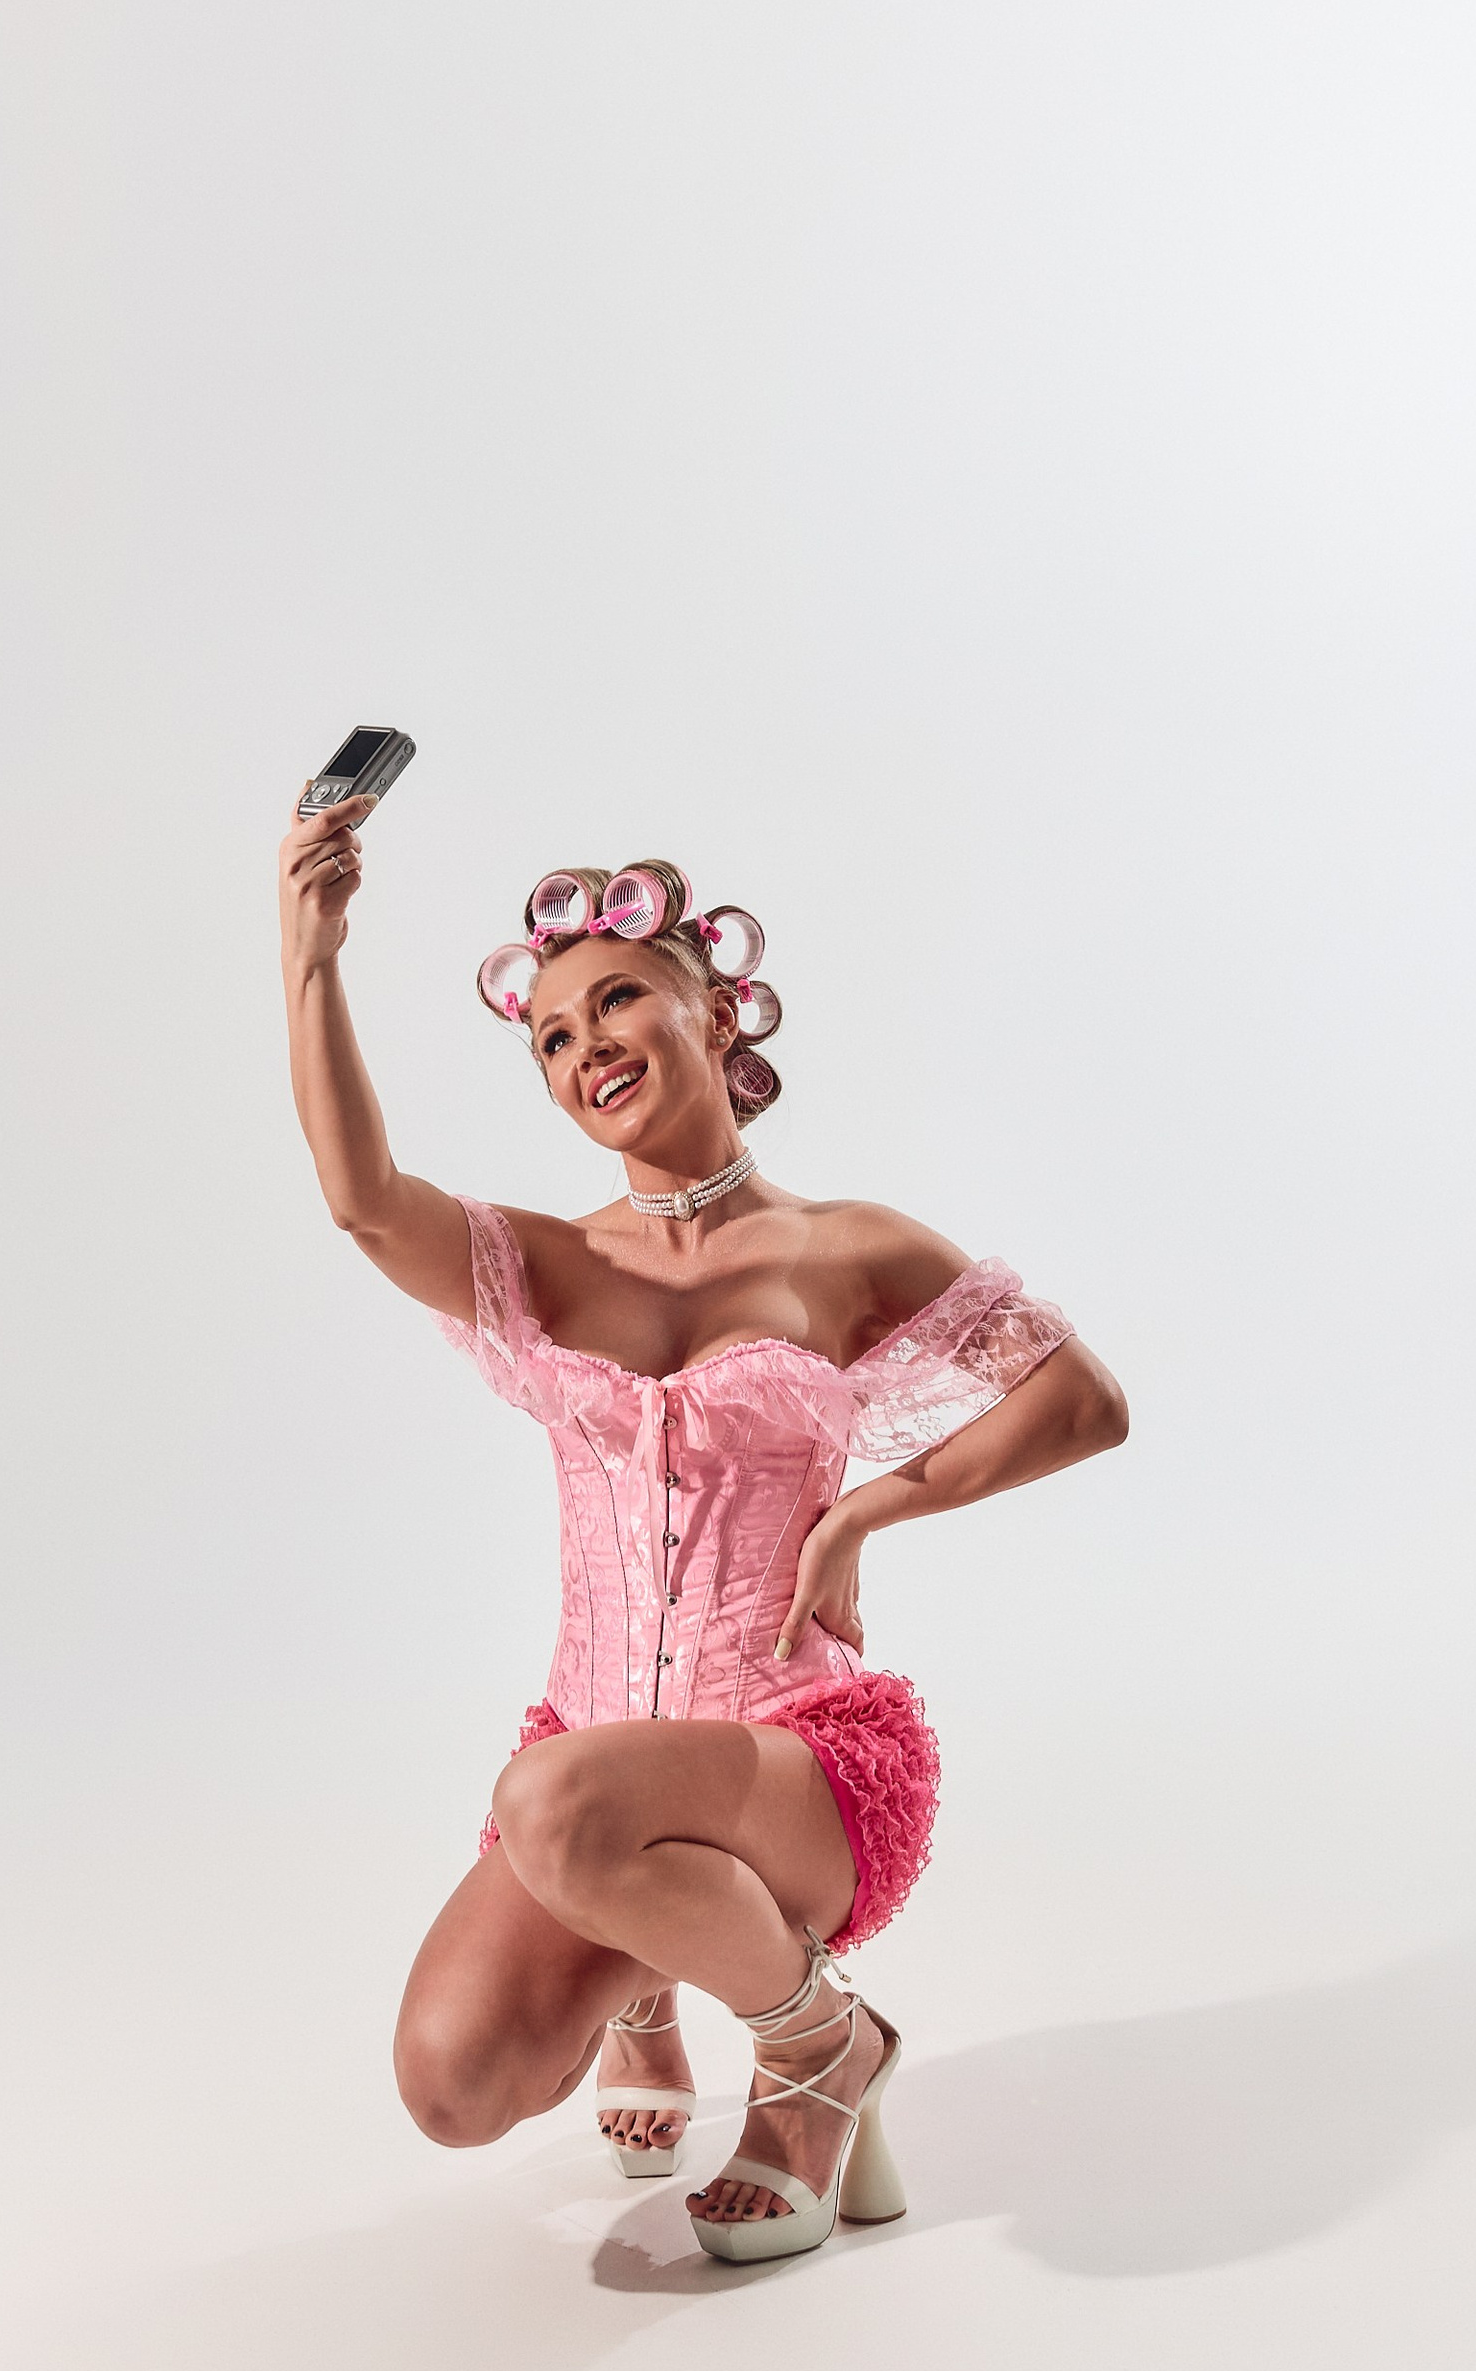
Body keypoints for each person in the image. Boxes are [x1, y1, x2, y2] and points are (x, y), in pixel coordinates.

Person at [278, 787, 1128, 2262]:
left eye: (617, 1000)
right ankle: (649, 1985)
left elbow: (1079, 1401)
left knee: (552, 1797)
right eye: (553, 1038)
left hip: (796, 1763)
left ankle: (818, 2051)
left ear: (718, 1014)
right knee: (454, 2086)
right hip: (594, 1769)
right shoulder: (543, 1262)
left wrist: (868, 1509)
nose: (585, 1045)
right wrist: (310, 947)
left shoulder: (850, 1248)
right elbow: (363, 1201)